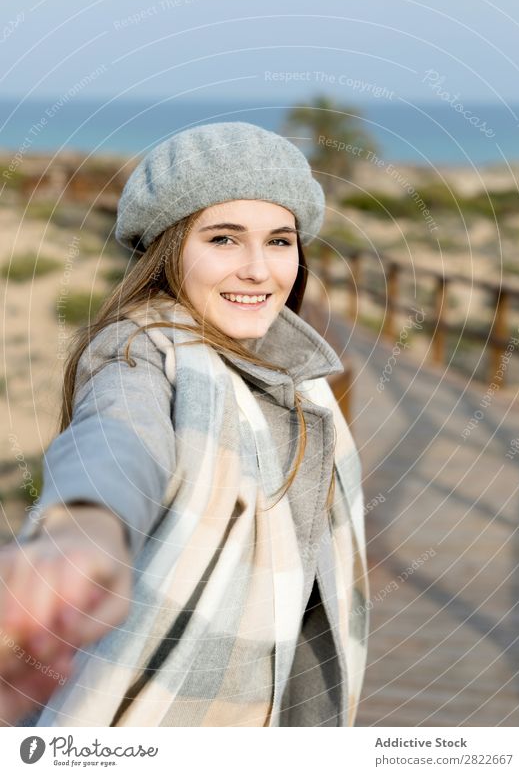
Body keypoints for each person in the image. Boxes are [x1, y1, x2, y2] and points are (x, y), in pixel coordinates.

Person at [0, 121, 370, 727]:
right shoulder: (139, 351)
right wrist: (84, 527)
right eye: (224, 239)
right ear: (170, 249)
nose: (258, 270)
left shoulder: (299, 379)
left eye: (279, 242)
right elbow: (118, 434)